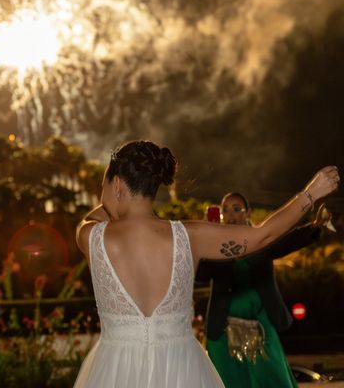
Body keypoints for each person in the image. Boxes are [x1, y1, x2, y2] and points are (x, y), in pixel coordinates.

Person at [73, 140, 338, 388]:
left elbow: (96, 215)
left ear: (117, 184)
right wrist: (310, 193)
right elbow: (262, 235)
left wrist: (113, 199)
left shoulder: (89, 236)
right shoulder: (189, 236)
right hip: (182, 369)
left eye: (104, 185)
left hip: (115, 370)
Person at [197, 192, 320, 387]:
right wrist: (202, 244)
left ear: (248, 213)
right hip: (222, 329)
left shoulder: (260, 240)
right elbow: (200, 276)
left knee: (272, 378)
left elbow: (285, 242)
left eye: (237, 209)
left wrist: (315, 227)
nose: (231, 215)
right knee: (229, 381)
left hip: (261, 325)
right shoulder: (216, 246)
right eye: (225, 210)